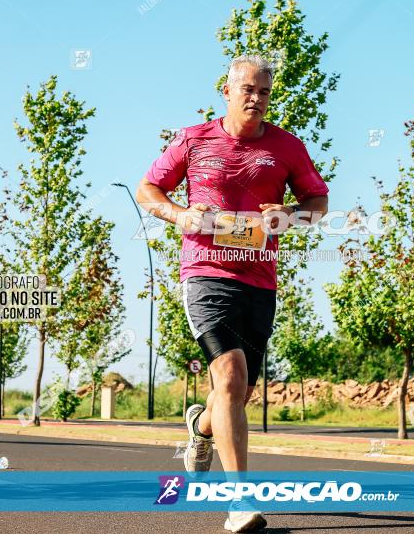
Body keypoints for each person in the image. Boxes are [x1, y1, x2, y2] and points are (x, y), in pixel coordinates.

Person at [136, 54, 329, 532]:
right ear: (226, 90)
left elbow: (318, 204)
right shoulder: (194, 139)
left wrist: (288, 215)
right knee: (229, 373)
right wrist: (178, 214)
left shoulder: (287, 147)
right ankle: (239, 502)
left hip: (260, 281)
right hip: (205, 274)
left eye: (264, 91)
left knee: (236, 393)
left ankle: (201, 426)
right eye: (247, 89)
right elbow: (148, 189)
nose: (256, 99)